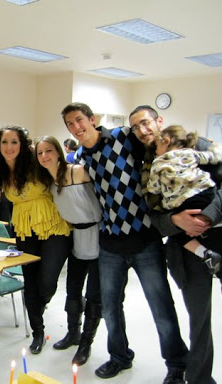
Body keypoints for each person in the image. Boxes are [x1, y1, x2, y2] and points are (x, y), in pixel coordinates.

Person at [62, 102, 187, 384]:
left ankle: (177, 364)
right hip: (110, 243)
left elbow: (159, 145)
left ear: (92, 119)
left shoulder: (122, 136)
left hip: (145, 239)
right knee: (110, 307)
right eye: (70, 124)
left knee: (161, 306)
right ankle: (119, 356)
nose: (76, 127)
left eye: (79, 120)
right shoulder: (81, 155)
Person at [129, 105, 222, 384]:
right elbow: (154, 212)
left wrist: (209, 215)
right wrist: (177, 220)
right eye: (135, 127)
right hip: (186, 247)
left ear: (159, 121)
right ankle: (198, 379)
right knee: (199, 320)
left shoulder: (197, 145)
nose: (142, 131)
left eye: (145, 123)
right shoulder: (149, 163)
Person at [0, 126, 72, 355]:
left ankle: (39, 304)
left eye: (14, 142)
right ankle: (38, 331)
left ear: (23, 144)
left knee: (47, 281)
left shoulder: (36, 163)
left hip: (53, 224)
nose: (9, 147)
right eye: (5, 142)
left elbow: (60, 173)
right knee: (30, 280)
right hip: (24, 228)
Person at [35, 136, 102, 366]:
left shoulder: (79, 172)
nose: (45, 156)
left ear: (58, 152)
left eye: (49, 151)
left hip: (99, 236)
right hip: (75, 238)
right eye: (40, 153)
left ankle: (86, 343)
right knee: (72, 289)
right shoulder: (47, 181)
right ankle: (73, 333)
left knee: (94, 294)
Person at [147, 125, 222, 274]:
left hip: (184, 202)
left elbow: (153, 188)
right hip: (207, 193)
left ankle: (205, 254)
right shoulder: (191, 153)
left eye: (156, 146)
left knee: (177, 233)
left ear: (166, 141)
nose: (155, 151)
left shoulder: (158, 162)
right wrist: (216, 146)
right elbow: (214, 157)